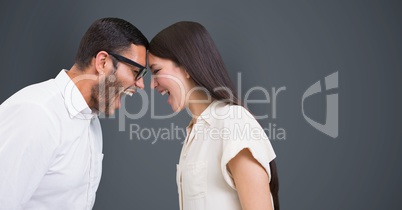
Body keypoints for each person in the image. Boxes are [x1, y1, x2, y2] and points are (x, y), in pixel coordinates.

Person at [0, 17, 148, 209]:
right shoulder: (35, 113)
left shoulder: (92, 123)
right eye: (136, 71)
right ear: (103, 62)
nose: (141, 85)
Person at [148, 21, 279, 210]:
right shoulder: (195, 134)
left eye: (157, 71)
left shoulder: (233, 122)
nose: (153, 85)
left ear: (185, 66)